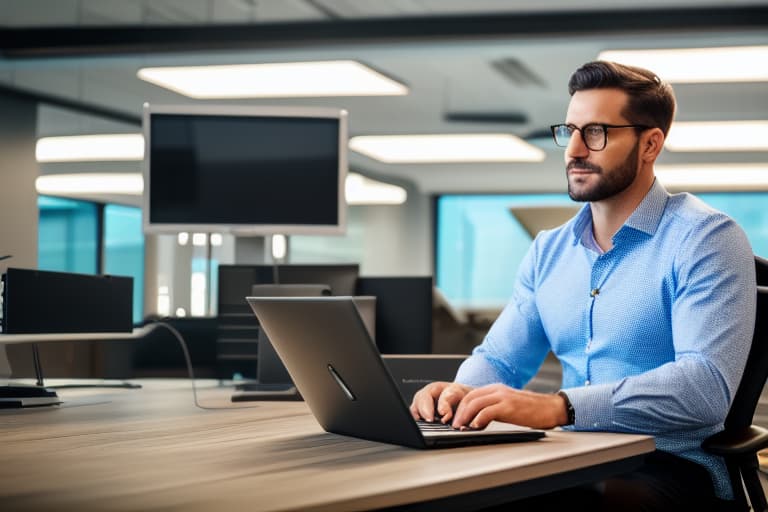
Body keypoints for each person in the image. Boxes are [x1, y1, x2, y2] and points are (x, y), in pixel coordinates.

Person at [410, 61, 757, 511]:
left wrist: (562, 407)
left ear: (650, 143)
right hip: (569, 457)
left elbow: (704, 389)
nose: (573, 149)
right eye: (570, 130)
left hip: (669, 464)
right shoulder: (548, 251)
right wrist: (459, 396)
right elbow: (499, 359)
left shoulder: (706, 239)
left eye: (596, 132)